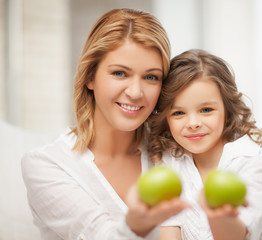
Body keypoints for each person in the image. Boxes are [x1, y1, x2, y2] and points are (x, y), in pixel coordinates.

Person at [21, 8, 189, 240]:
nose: (136, 92)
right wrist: (137, 225)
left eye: (151, 77)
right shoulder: (46, 166)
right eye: (120, 73)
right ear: (90, 76)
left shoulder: (174, 151)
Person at [148, 49, 262, 240]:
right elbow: (170, 230)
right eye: (178, 113)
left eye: (206, 109)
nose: (193, 123)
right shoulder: (170, 161)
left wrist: (215, 212)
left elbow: (237, 236)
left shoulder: (255, 162)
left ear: (227, 110)